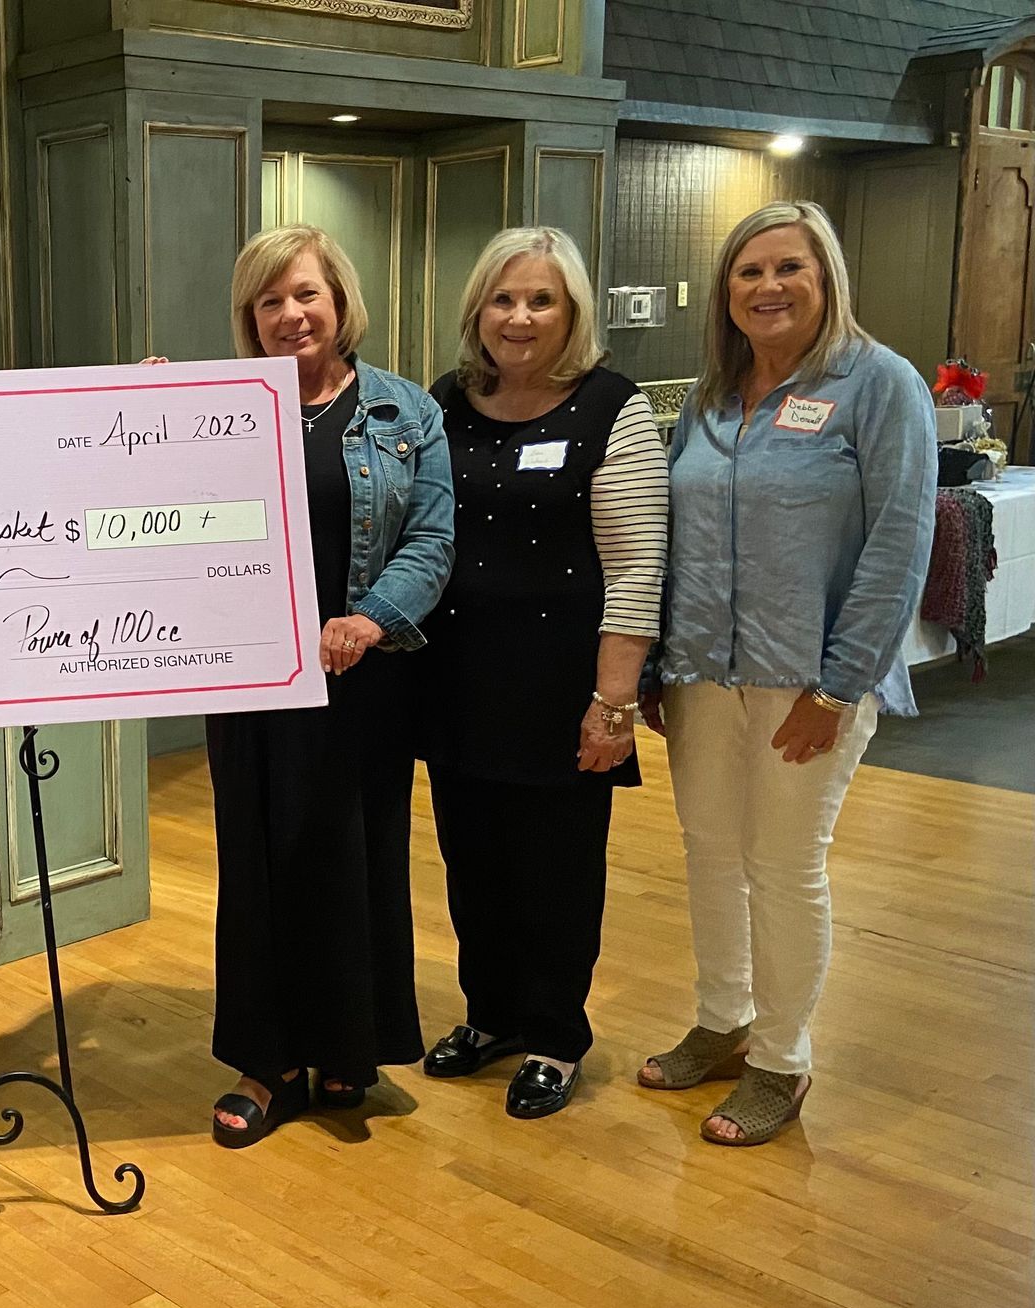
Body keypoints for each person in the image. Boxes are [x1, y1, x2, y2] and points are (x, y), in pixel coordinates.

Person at [147, 224, 454, 1146]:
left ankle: (344, 1049)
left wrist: (372, 619)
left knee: (354, 860)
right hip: (250, 676)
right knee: (257, 861)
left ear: (340, 300)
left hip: (361, 673)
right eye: (269, 300)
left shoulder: (406, 412)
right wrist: (149, 418)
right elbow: (159, 519)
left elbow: (432, 538)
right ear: (250, 317)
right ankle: (267, 1058)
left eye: (307, 293)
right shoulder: (220, 404)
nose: (291, 314)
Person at [637, 201, 935, 1145]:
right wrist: (654, 660)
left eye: (788, 268)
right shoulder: (710, 396)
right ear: (725, 292)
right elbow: (674, 530)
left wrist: (841, 686)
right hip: (699, 676)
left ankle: (781, 1056)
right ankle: (722, 1019)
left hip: (808, 680)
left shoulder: (878, 385)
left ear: (827, 278)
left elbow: (900, 543)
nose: (767, 288)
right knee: (710, 854)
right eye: (748, 272)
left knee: (784, 868)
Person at [418, 227, 669, 1119]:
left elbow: (636, 567)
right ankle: (491, 1015)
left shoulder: (612, 406)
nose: (519, 317)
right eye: (503, 298)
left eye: (542, 300)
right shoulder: (447, 400)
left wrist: (613, 703)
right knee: (471, 861)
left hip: (565, 686)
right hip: (457, 681)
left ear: (573, 313)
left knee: (557, 871)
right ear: (477, 311)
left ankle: (557, 1035)